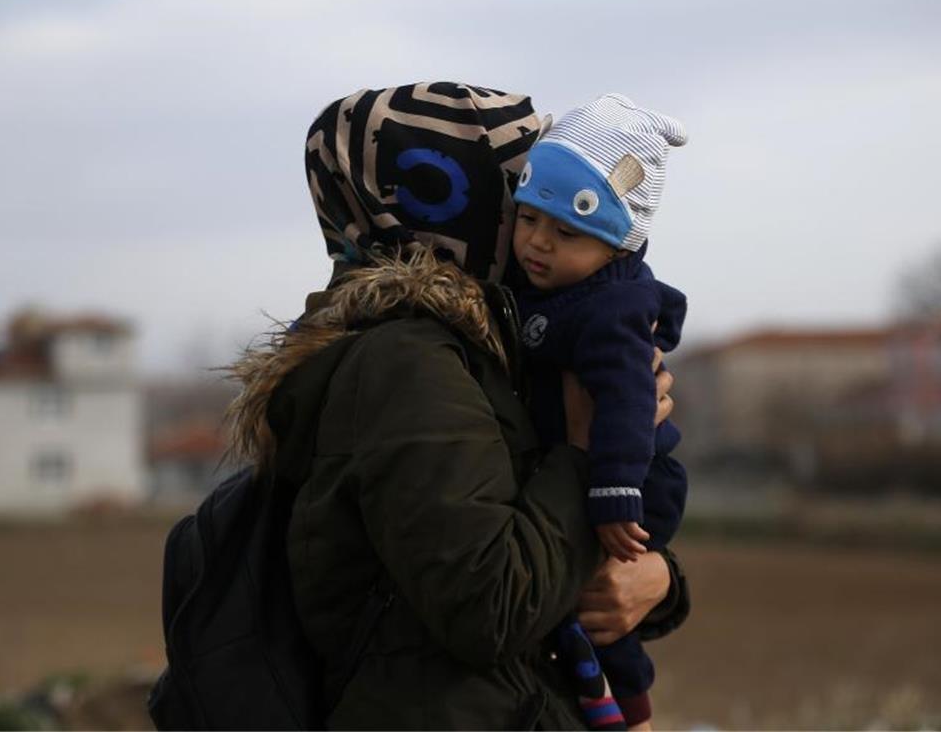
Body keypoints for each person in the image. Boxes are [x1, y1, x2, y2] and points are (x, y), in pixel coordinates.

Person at [224, 82, 690, 729]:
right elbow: (493, 605)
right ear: (451, 197)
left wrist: (656, 581)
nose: (527, 218)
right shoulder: (407, 364)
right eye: (515, 188)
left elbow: (545, 551)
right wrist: (585, 454)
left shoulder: (484, 350)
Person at [509, 93, 689, 731]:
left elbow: (629, 400)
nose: (537, 243)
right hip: (597, 475)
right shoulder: (551, 285)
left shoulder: (610, 309)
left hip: (635, 482)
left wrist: (615, 493)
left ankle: (632, 712)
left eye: (565, 233)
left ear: (617, 245)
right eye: (528, 218)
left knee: (605, 609)